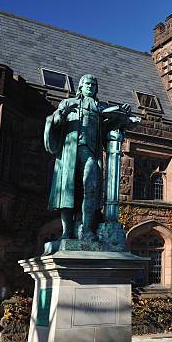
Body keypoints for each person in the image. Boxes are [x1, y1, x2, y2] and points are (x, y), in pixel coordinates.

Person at [44, 74, 129, 241]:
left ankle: (87, 229)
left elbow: (107, 132)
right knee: (68, 192)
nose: (90, 86)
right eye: (87, 84)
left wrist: (121, 118)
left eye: (93, 84)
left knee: (90, 188)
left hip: (91, 153)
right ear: (80, 87)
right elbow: (55, 123)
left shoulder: (100, 108)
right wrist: (61, 114)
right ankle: (67, 232)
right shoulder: (69, 103)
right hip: (70, 155)